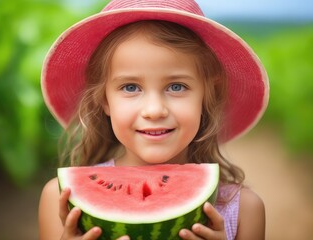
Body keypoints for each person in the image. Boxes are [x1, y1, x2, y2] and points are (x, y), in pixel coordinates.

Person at [38, 0, 268, 239]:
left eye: (177, 86)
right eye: (130, 87)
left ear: (208, 95)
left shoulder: (244, 210)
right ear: (104, 100)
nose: (154, 110)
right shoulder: (60, 200)